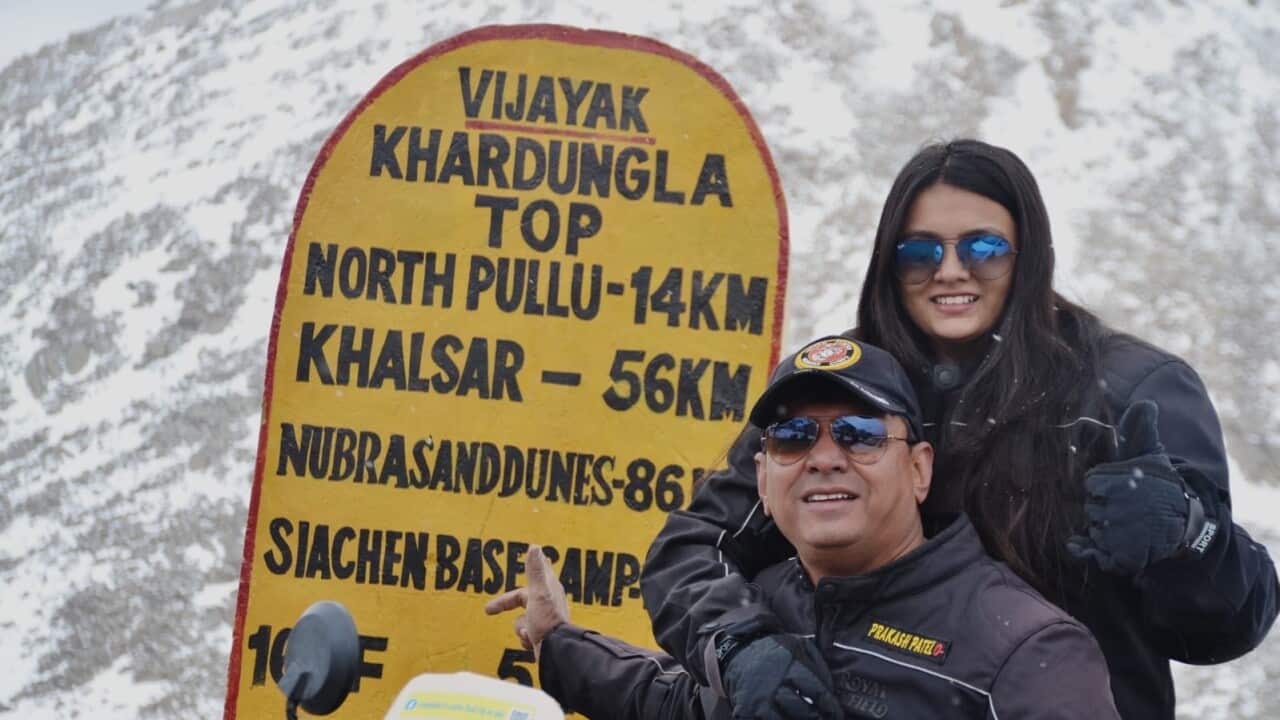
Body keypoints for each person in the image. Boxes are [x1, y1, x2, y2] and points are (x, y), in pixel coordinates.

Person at [640, 139, 1279, 719]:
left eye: (983, 248)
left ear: (1028, 257)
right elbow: (694, 548)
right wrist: (739, 646)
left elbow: (1229, 627)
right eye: (919, 252)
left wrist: (1188, 536)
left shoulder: (1131, 391)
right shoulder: (836, 389)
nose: (950, 271)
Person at [487, 337, 1120, 719]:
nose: (823, 456)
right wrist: (556, 644)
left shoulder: (1027, 652)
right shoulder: (768, 603)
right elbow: (677, 706)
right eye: (792, 437)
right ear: (762, 478)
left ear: (919, 469)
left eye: (859, 433)